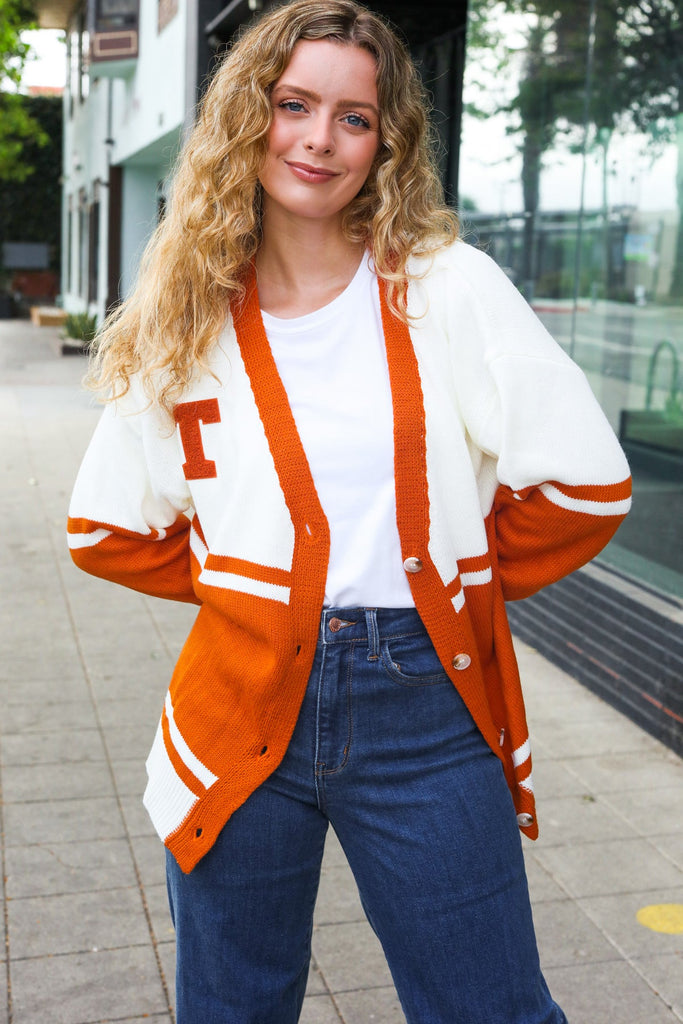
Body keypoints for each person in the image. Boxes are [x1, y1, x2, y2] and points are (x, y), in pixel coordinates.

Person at [67, 2, 632, 1021]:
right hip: (233, 709)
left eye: (353, 117)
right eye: (292, 105)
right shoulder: (187, 313)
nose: (318, 140)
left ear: (387, 142)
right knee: (231, 1008)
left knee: (491, 1007)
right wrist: (252, 588)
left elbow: (583, 487)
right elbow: (105, 528)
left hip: (425, 703)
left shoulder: (447, 290)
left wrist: (454, 580)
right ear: (248, 115)